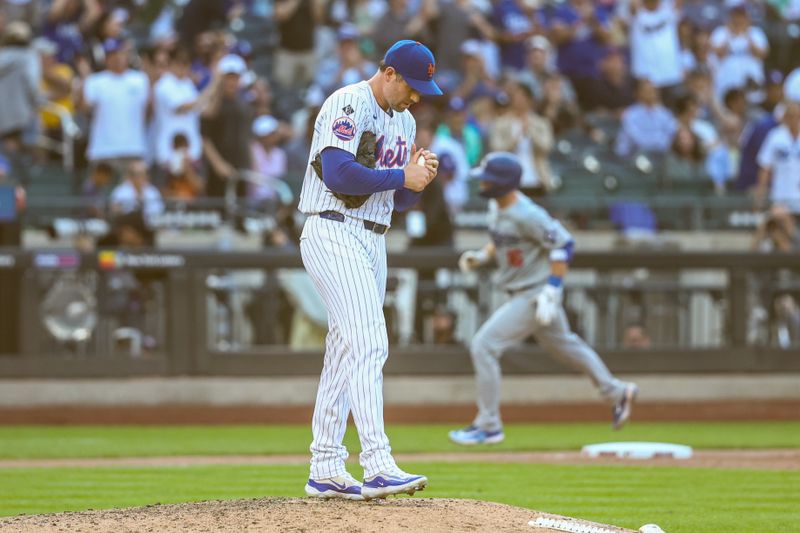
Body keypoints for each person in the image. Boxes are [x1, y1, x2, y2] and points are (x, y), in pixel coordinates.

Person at [298, 40, 441, 500]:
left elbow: (394, 197)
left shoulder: (406, 119)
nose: (416, 97)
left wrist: (416, 179)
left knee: (344, 350)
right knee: (370, 341)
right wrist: (402, 176)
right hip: (332, 229)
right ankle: (377, 463)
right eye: (412, 86)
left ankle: (325, 466)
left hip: (373, 237)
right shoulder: (348, 102)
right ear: (390, 72)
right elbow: (338, 175)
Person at [449, 152, 638, 446]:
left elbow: (564, 244)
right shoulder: (496, 207)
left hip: (534, 294)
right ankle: (616, 392)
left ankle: (488, 425)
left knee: (484, 346)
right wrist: (481, 256)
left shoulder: (528, 213)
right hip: (523, 291)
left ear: (503, 183)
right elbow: (501, 239)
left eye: (487, 179)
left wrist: (552, 289)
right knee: (566, 346)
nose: (482, 183)